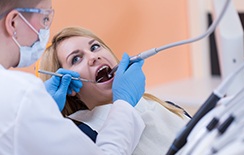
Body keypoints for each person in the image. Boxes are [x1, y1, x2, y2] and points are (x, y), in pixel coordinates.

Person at [0, 0, 147, 154]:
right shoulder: (22, 94)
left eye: (95, 47)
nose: (93, 57)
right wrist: (124, 103)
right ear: (14, 22)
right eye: (45, 18)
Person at [39, 26, 191, 155]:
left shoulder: (166, 107)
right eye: (76, 59)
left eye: (95, 47)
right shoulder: (83, 136)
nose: (93, 57)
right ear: (68, 86)